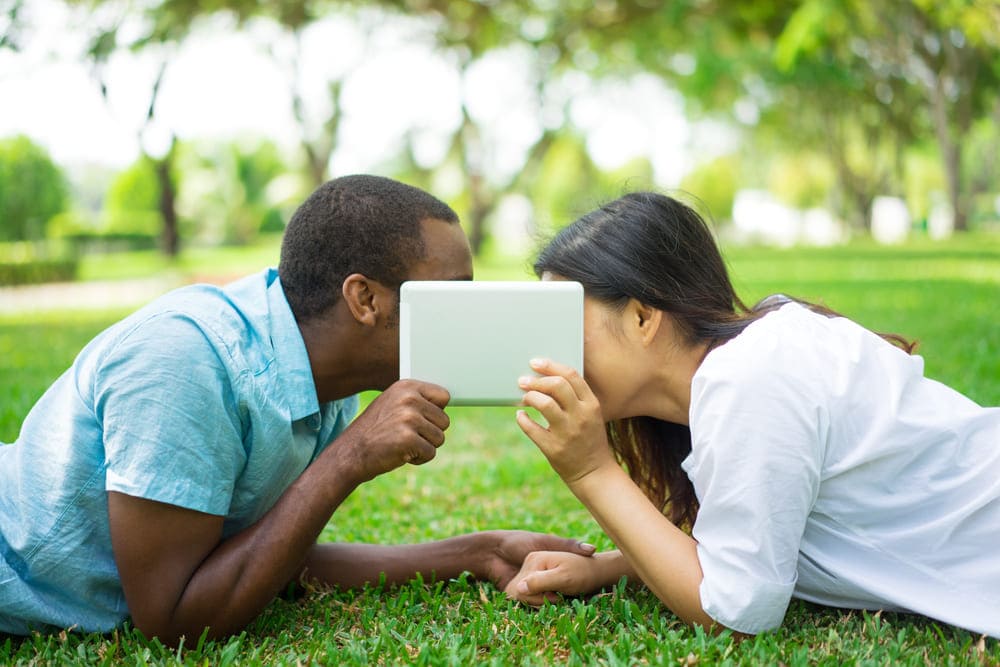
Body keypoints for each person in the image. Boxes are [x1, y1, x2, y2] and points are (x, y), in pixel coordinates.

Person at [0, 174, 594, 644]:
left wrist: (481, 552)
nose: (472, 318)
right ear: (364, 298)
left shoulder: (324, 375)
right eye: (451, 295)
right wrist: (349, 458)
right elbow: (175, 620)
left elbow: (263, 561)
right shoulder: (185, 361)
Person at [503, 191, 1000, 638]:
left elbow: (736, 613)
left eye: (565, 317)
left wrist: (591, 470)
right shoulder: (747, 365)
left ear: (641, 317)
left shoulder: (750, 377)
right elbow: (757, 542)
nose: (554, 349)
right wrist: (608, 569)